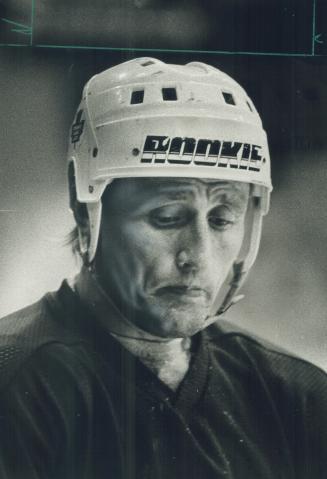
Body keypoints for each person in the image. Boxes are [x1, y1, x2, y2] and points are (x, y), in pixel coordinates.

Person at [0, 57, 326, 479]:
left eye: (223, 218)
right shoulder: (18, 388)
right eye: (168, 217)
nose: (198, 255)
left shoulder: (297, 397)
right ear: (85, 211)